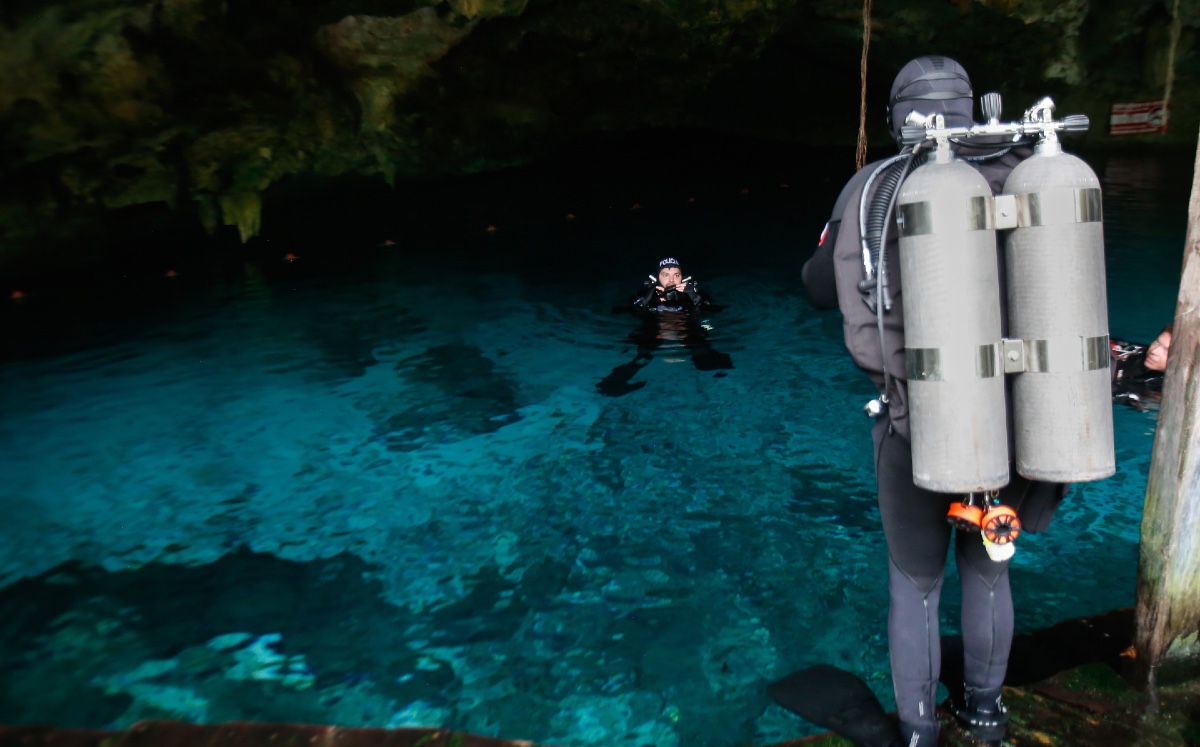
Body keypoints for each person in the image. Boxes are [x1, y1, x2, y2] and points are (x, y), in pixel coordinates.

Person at [798, 56, 1069, 746]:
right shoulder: (1026, 170)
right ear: (973, 105)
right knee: (988, 570)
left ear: (897, 117)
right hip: (1018, 422)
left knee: (916, 583)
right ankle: (986, 715)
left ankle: (919, 730)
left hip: (916, 422)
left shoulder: (874, 186)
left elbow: (820, 285)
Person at [596, 257, 731, 396]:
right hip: (655, 326)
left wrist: (693, 296)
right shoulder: (648, 295)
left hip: (685, 325)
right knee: (643, 353)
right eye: (665, 275)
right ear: (658, 278)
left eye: (676, 275)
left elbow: (714, 309)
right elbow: (626, 309)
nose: (671, 280)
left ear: (682, 278)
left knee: (699, 344)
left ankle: (714, 370)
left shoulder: (691, 294)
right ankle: (615, 382)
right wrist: (649, 297)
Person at [1111, 324, 1172, 410]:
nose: (1154, 351)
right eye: (1157, 342)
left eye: (1166, 351)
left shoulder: (1167, 389)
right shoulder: (1130, 351)